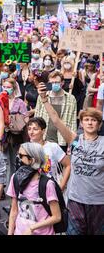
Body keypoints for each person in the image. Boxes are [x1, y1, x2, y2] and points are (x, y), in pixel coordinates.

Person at [37, 83, 104, 235]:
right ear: (81, 123)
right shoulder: (74, 140)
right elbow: (55, 119)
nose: (90, 122)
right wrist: (44, 99)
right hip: (75, 200)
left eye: (94, 120)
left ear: (99, 125)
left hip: (99, 201)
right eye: (86, 119)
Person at [7, 142, 62, 235]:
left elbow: (57, 217)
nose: (18, 159)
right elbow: (14, 210)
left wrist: (32, 228)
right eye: (17, 155)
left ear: (32, 160)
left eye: (21, 156)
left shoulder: (47, 184)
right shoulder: (15, 178)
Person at [34, 71, 77, 152]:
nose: (54, 84)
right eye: (52, 82)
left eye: (56, 82)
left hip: (62, 140)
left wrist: (71, 143)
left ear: (62, 83)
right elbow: (37, 117)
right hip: (45, 138)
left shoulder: (71, 98)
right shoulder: (42, 96)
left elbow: (73, 121)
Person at [26, 117, 71, 190]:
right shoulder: (24, 149)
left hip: (51, 190)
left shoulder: (52, 147)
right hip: (30, 191)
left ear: (43, 131)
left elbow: (68, 165)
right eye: (29, 129)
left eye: (35, 129)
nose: (31, 132)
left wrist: (61, 187)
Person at [2, 78, 28, 181]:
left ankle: (17, 183)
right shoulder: (0, 100)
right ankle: (5, 184)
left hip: (16, 135)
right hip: (3, 134)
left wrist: (16, 120)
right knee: (3, 160)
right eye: (4, 87)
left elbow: (26, 117)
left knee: (15, 160)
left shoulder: (19, 102)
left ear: (14, 88)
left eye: (8, 87)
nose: (5, 89)